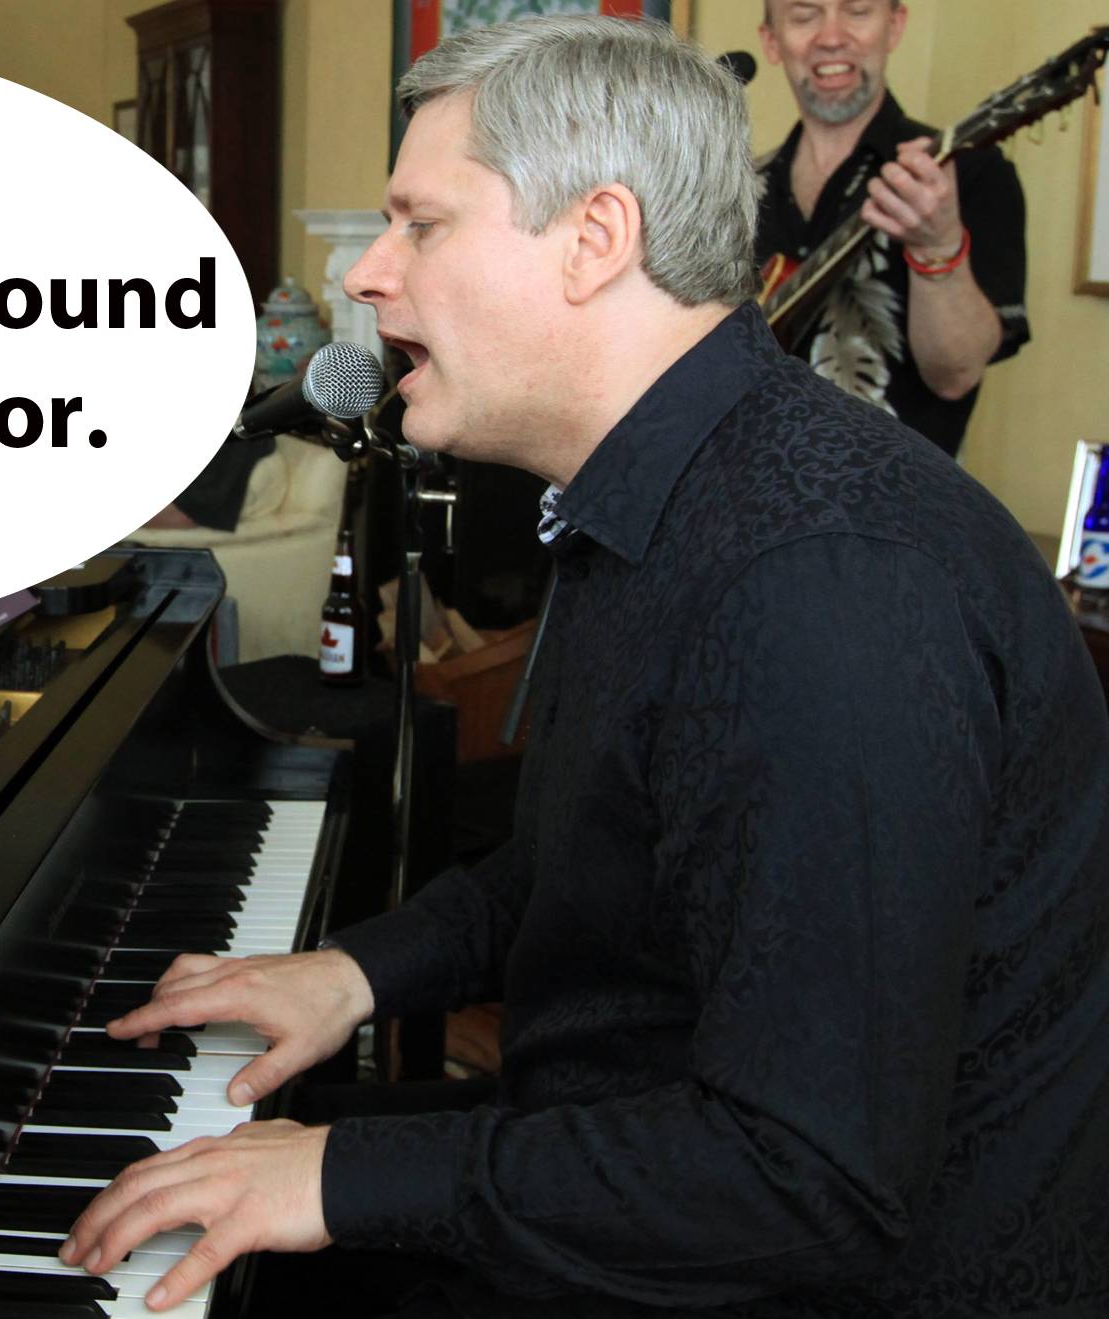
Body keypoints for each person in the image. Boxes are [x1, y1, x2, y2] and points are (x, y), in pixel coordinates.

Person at [59, 15, 1108, 1318]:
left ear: (594, 238)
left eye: (420, 224)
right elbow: (598, 852)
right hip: (656, 1145)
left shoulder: (818, 584)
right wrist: (356, 972)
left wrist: (338, 1174)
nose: (370, 274)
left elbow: (806, 1180)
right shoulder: (670, 486)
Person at [754, 0, 1030, 457]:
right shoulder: (735, 188)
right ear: (771, 41)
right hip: (743, 491)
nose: (831, 37)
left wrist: (937, 243)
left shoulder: (966, 174)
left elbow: (956, 375)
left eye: (858, 11)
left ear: (895, 26)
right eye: (804, 16)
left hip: (898, 496)